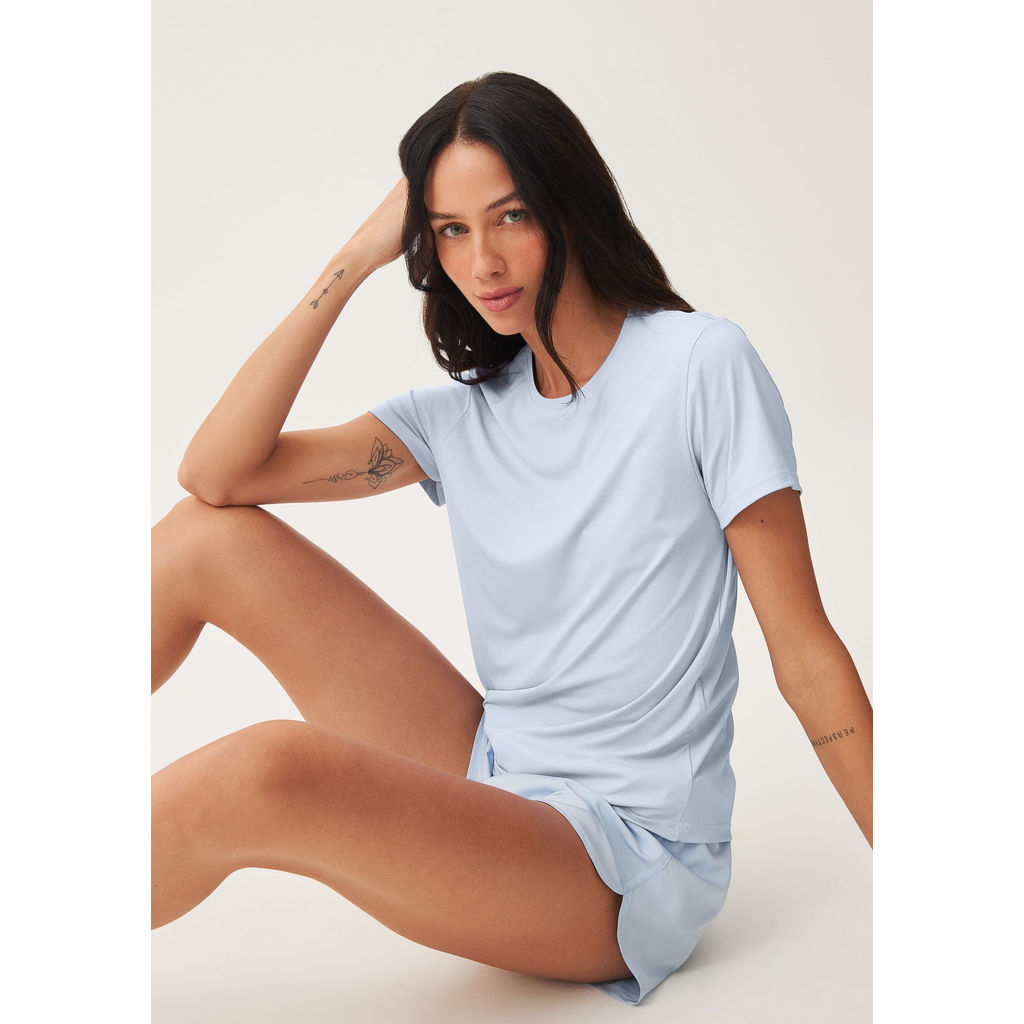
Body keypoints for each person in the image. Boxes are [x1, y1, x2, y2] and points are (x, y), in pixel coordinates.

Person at [151, 71, 873, 1006]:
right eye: (450, 231)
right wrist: (359, 255)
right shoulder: (462, 418)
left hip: (621, 857)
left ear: (569, 205)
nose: (483, 261)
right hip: (495, 773)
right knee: (202, 541)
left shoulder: (700, 366)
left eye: (511, 217)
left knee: (269, 770)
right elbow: (216, 476)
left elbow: (805, 654)